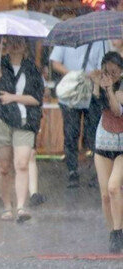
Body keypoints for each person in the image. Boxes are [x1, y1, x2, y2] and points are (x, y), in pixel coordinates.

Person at [0, 36, 44, 222]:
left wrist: (14, 98)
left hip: (25, 122)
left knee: (22, 164)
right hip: (2, 120)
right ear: (5, 44)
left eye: (20, 41)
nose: (15, 45)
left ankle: (21, 207)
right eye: (12, 41)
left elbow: (36, 99)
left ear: (25, 45)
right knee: (4, 167)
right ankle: (7, 206)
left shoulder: (31, 68)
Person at [50, 39, 106, 188]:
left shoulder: (99, 42)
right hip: (71, 93)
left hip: (91, 93)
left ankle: (96, 172)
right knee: (71, 133)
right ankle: (72, 171)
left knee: (92, 135)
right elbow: (55, 63)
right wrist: (75, 75)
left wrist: (91, 76)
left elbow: (102, 67)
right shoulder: (66, 39)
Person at [91, 52, 123, 253]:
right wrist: (97, 85)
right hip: (102, 145)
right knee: (105, 196)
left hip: (121, 147)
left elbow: (117, 111)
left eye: (115, 72)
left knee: (114, 188)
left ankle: (118, 232)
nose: (110, 75)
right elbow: (94, 109)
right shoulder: (99, 85)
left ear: (121, 71)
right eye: (107, 71)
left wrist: (110, 90)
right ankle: (112, 231)